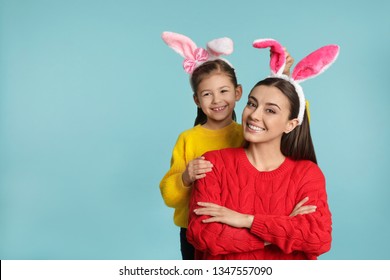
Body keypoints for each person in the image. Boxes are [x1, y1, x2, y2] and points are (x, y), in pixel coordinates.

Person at [186, 39, 340, 260]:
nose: (255, 115)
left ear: (291, 124)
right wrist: (281, 228)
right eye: (252, 103)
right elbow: (204, 235)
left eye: (270, 110)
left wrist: (247, 220)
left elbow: (318, 239)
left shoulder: (307, 174)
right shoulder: (213, 164)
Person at [159, 32, 305, 260]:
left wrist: (284, 77)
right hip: (195, 231)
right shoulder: (188, 139)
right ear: (197, 100)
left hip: (240, 225)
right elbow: (169, 196)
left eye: (224, 91)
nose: (217, 100)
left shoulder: (248, 133)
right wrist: (186, 177)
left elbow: (288, 128)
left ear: (238, 93)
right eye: (207, 94)